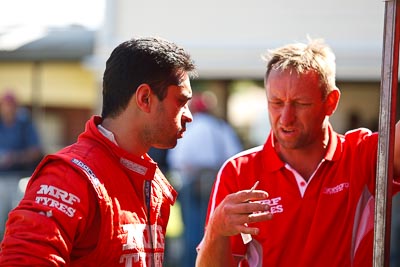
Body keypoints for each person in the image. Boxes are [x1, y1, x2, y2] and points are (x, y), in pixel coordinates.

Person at [195, 38, 400, 267]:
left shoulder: (360, 155)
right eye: (276, 102)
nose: (285, 117)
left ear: (330, 102)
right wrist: (216, 229)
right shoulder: (239, 171)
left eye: (300, 104)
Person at [0, 36, 197, 266]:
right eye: (181, 101)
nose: (188, 115)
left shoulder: (154, 183)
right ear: (144, 98)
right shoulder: (69, 177)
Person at [167, 91, 243, 267]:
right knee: (210, 229)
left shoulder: (189, 129)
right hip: (214, 180)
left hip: (191, 179)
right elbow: (234, 155)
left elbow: (176, 160)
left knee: (190, 230)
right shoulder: (220, 128)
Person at [0, 91, 43, 239]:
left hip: (21, 176)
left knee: (18, 214)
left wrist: (14, 158)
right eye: (5, 105)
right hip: (2, 177)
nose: (8, 109)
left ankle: (17, 241)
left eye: (11, 105)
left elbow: (36, 151)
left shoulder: (24, 123)